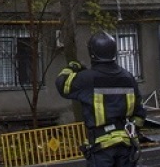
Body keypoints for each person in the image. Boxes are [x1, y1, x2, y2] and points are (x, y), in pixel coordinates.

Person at [56, 32, 148, 167]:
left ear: (92, 53)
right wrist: (134, 130)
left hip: (102, 150)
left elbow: (61, 84)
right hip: (126, 146)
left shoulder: (86, 79)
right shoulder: (128, 77)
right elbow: (139, 112)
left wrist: (73, 67)